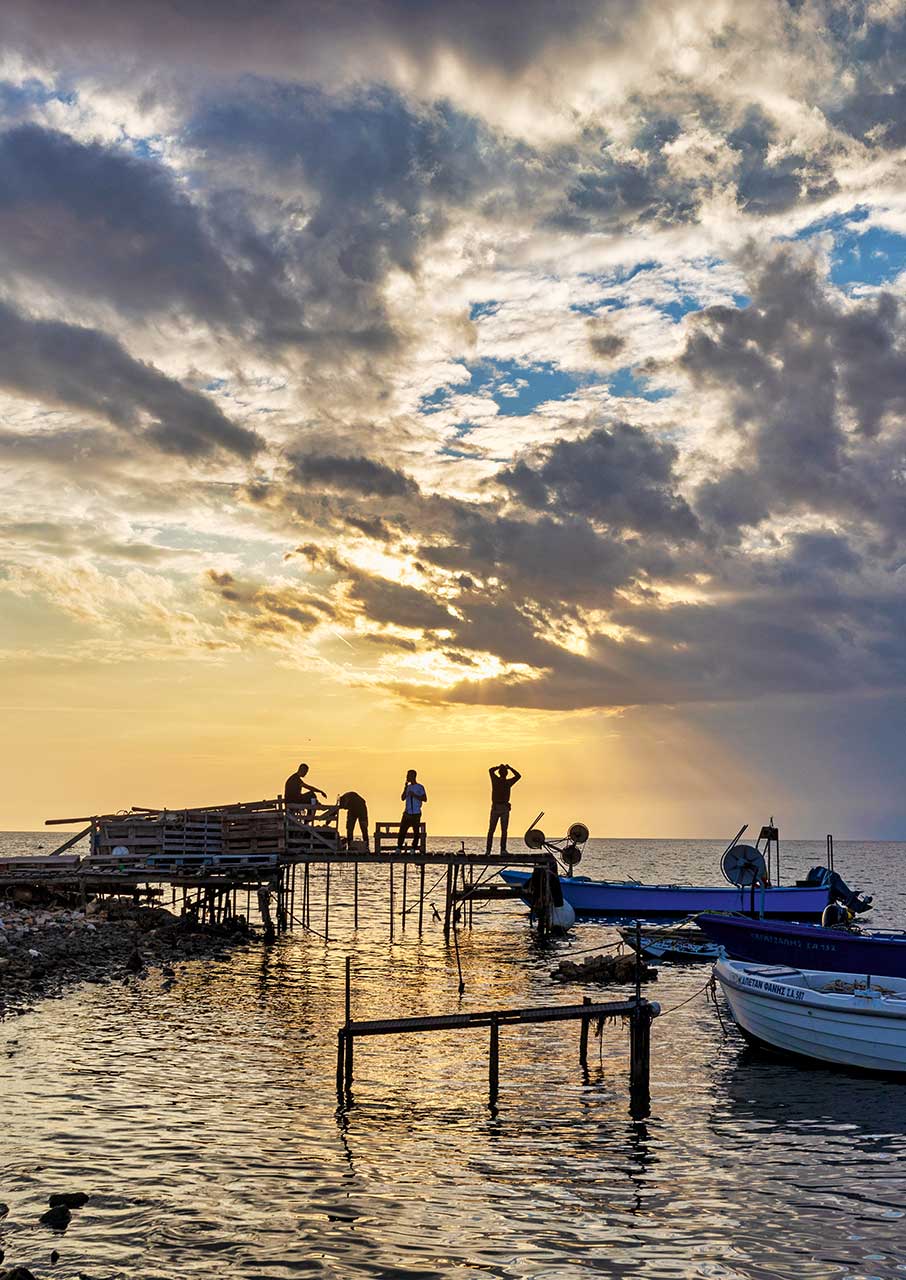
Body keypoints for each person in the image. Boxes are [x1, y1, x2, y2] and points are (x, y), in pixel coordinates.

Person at [486, 762, 521, 855]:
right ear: (506, 774)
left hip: (497, 807)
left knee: (491, 830)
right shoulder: (508, 782)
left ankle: (488, 850)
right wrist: (509, 767)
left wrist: (498, 767)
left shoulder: (495, 780)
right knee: (503, 830)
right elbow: (518, 776)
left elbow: (490, 770)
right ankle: (502, 850)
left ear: (500, 773)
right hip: (503, 808)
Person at [397, 769, 427, 851]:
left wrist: (414, 795)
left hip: (416, 813)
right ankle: (399, 847)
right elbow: (402, 798)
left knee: (416, 832)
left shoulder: (420, 787)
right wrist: (405, 788)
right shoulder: (408, 787)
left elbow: (425, 799)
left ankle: (413, 847)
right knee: (402, 831)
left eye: (408, 775)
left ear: (413, 776)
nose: (407, 777)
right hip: (407, 812)